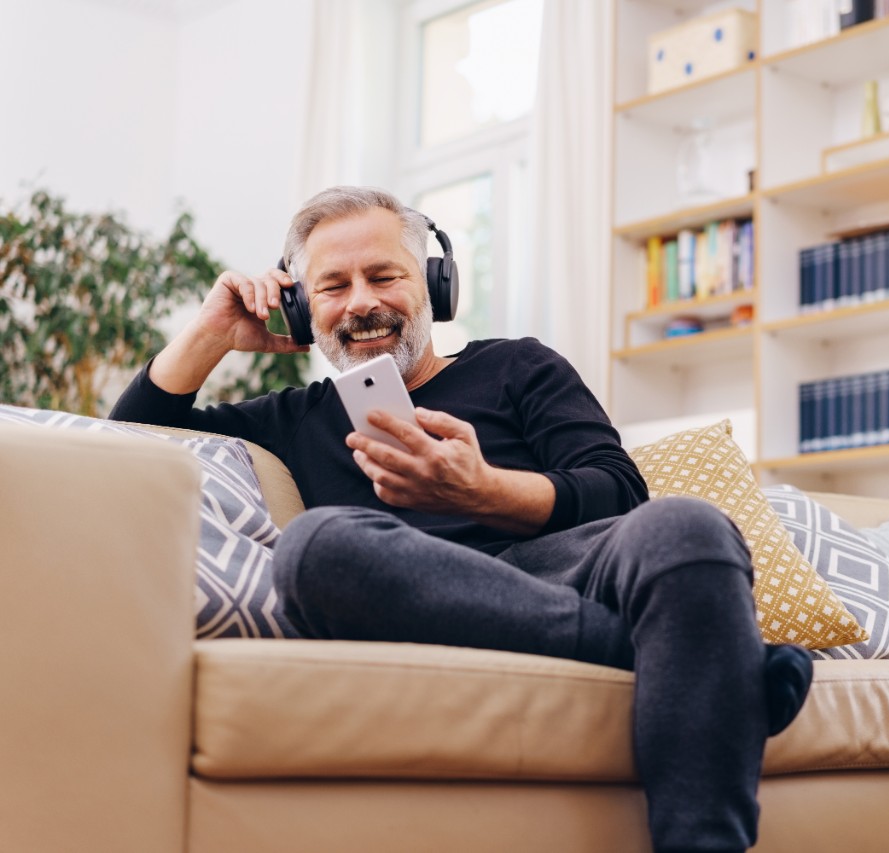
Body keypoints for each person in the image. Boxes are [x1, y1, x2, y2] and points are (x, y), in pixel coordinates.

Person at [110, 186, 813, 853]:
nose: (362, 303)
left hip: (556, 566)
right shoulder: (293, 418)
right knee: (316, 546)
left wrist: (485, 491)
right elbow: (129, 444)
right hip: (416, 591)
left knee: (688, 527)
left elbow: (620, 492)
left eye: (385, 276)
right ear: (301, 309)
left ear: (434, 286)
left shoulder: (520, 366)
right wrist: (211, 333)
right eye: (333, 286)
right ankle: (713, 663)